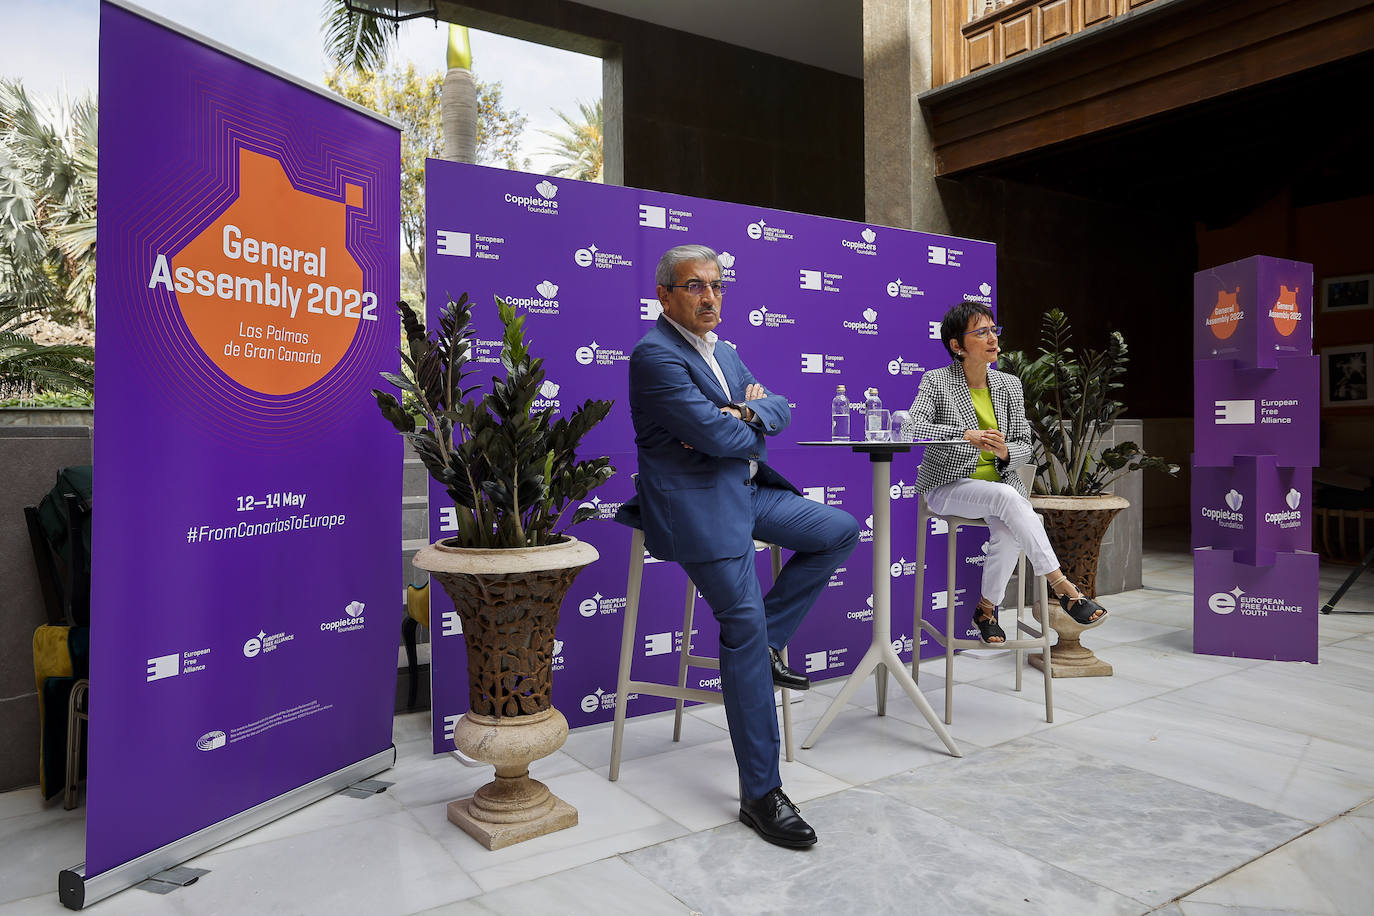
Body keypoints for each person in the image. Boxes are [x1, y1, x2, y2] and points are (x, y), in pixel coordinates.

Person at [615, 243, 859, 848]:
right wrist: (740, 421)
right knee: (742, 624)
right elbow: (718, 432)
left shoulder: (725, 351)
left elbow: (773, 409)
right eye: (695, 287)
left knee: (839, 530)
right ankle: (761, 793)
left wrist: (745, 417)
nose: (709, 297)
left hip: (746, 494)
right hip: (699, 509)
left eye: (717, 287)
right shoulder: (654, 355)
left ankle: (772, 640)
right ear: (665, 295)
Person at [901, 302, 1107, 644]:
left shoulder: (1009, 384)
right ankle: (1064, 587)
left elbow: (1025, 444)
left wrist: (1005, 451)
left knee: (1011, 527)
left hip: (1000, 486)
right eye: (981, 332)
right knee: (1009, 500)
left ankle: (985, 609)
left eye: (994, 330)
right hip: (948, 486)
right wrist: (967, 435)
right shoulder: (937, 381)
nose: (993, 338)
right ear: (957, 345)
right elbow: (912, 427)